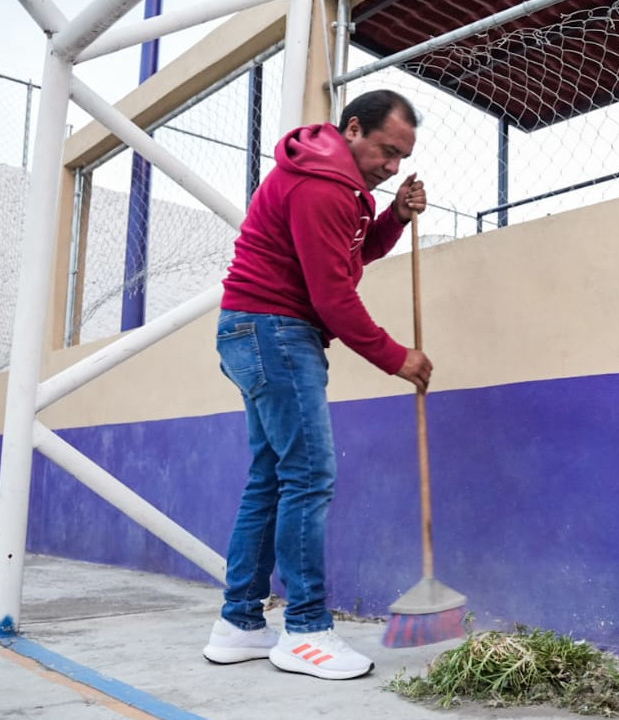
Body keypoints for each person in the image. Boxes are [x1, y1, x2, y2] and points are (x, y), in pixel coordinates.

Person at [201, 89, 431, 680]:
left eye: (402, 157)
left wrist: (395, 218)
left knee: (272, 479)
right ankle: (305, 631)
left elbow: (346, 260)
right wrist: (393, 356)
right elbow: (333, 296)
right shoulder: (323, 186)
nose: (393, 166)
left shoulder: (332, 179)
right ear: (353, 129)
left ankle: (239, 623)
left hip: (254, 331)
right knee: (307, 476)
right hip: (275, 333)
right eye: (386, 150)